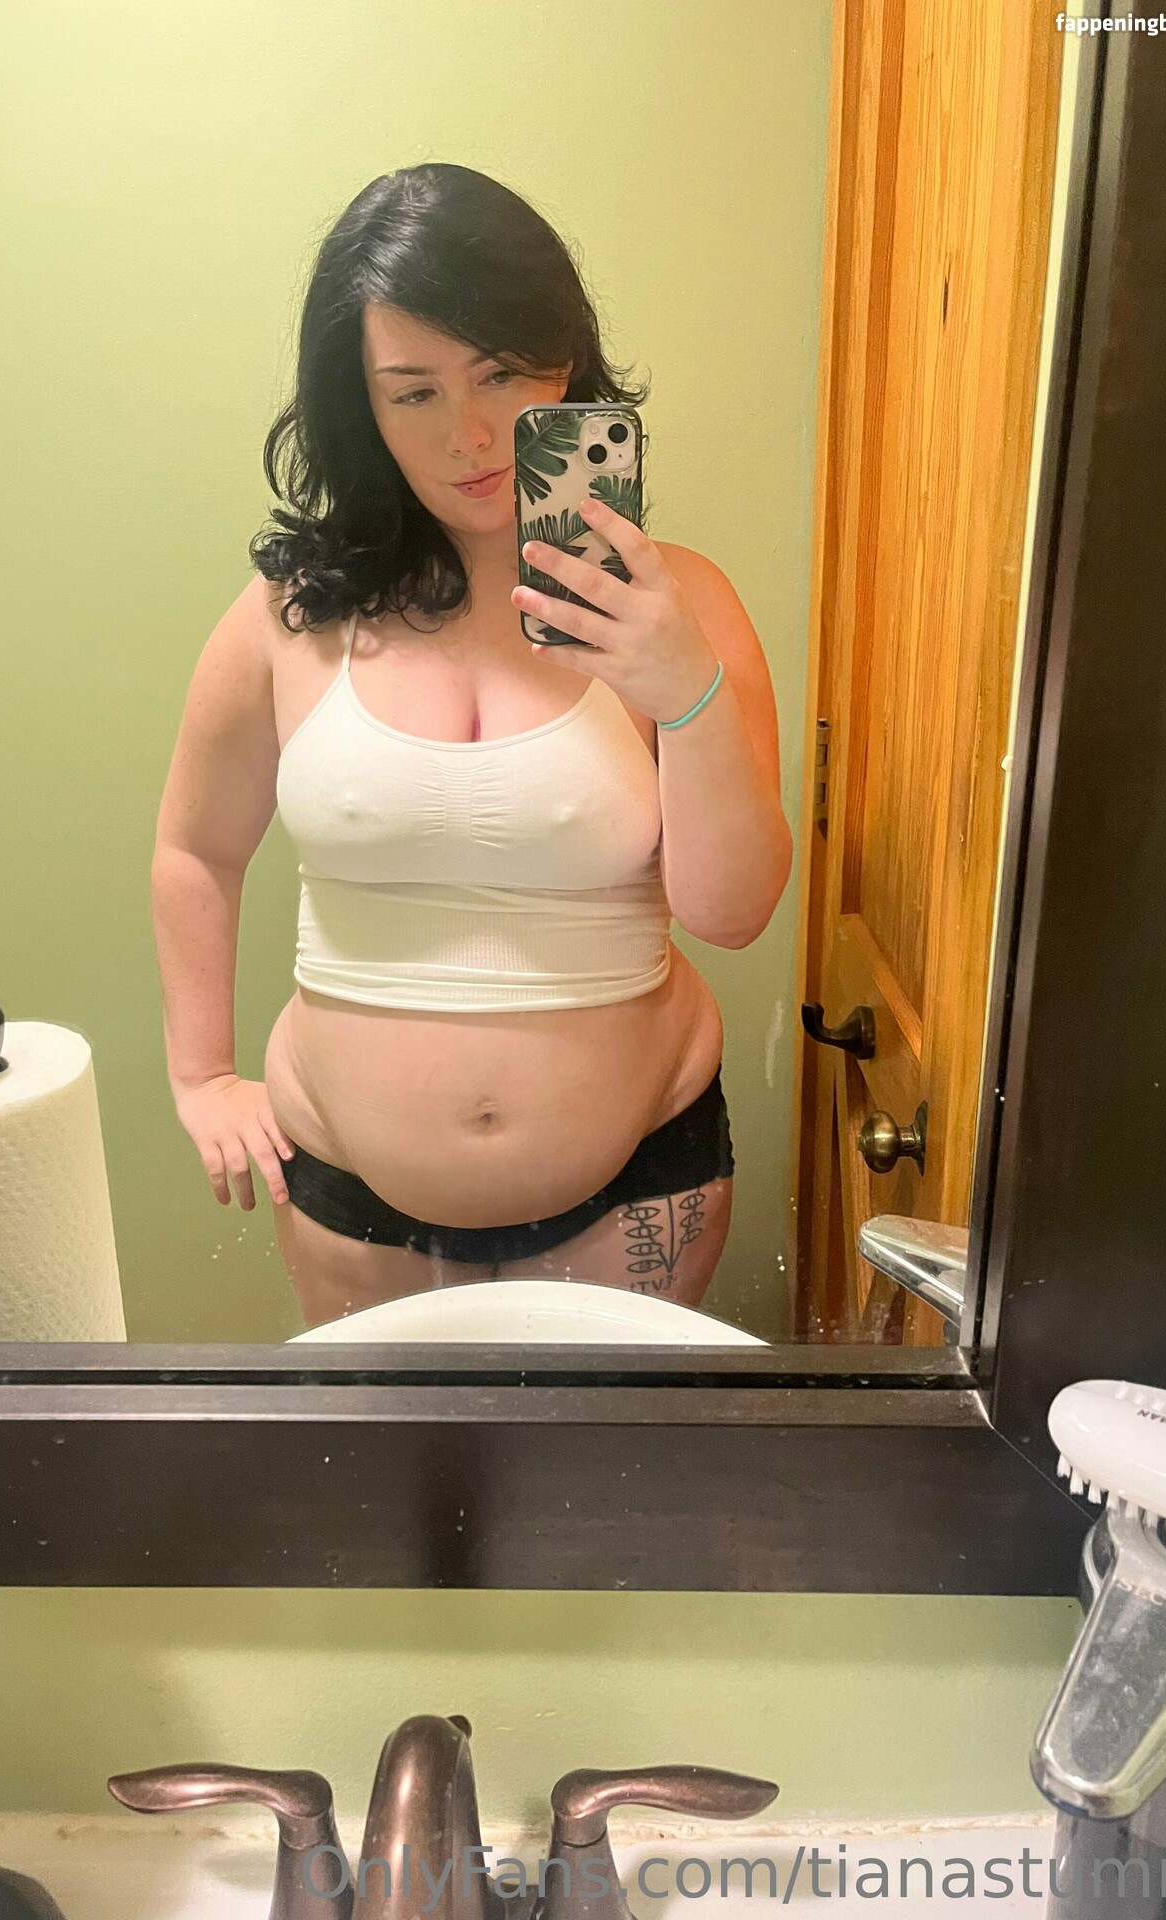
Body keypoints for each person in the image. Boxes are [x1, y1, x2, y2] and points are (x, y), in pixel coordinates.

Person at [151, 164, 792, 1328]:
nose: (472, 434)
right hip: (347, 1202)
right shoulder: (290, 617)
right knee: (390, 1457)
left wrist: (685, 692)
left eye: (498, 372)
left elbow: (731, 912)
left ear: (564, 360)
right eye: (415, 393)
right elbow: (196, 851)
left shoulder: (682, 607)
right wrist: (199, 1076)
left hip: (639, 1186)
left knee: (620, 1458)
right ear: (362, 408)